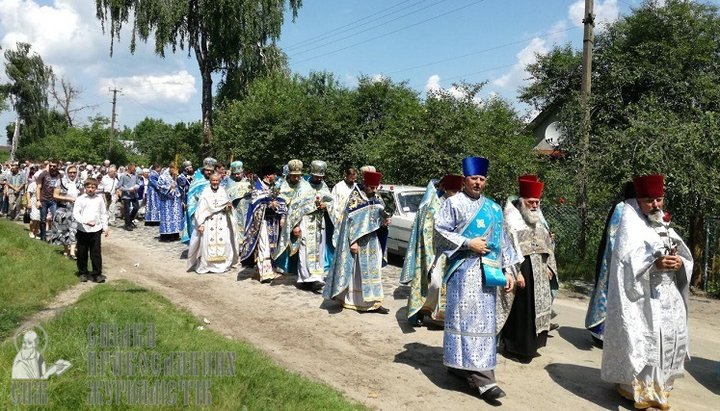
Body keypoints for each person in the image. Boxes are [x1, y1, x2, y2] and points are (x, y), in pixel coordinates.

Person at [601, 174, 692, 411]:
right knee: (648, 339)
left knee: (668, 340)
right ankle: (639, 391)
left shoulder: (661, 222)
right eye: (649, 200)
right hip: (643, 295)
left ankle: (661, 389)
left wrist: (680, 262)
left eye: (659, 199)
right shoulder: (630, 224)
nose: (655, 205)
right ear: (638, 200)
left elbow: (681, 251)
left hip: (667, 294)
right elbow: (626, 262)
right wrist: (655, 265)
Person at [433, 156, 517, 402]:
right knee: (466, 322)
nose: (478, 183)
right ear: (465, 179)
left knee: (483, 324)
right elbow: (439, 231)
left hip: (487, 273)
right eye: (474, 178)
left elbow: (503, 241)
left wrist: (511, 269)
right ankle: (483, 380)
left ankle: (463, 368)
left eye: (482, 179)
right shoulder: (453, 203)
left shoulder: (492, 207)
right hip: (462, 271)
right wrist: (467, 242)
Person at [499, 175, 557, 363]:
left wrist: (547, 265)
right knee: (521, 310)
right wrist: (517, 272)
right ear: (522, 201)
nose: (534, 206)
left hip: (539, 269)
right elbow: (507, 246)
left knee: (537, 308)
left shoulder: (536, 218)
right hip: (522, 270)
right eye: (531, 202)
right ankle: (514, 347)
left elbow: (546, 243)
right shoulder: (511, 218)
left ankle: (532, 346)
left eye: (537, 202)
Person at [323, 170, 391, 313]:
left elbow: (378, 216)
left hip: (373, 240)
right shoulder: (355, 198)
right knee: (357, 272)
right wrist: (352, 242)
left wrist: (385, 221)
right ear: (365, 185)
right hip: (357, 241)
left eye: (376, 187)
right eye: (371, 187)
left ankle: (374, 302)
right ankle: (353, 300)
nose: (374, 190)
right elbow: (349, 224)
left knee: (374, 270)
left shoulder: (377, 197)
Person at [401, 174, 464, 326]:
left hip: (455, 250)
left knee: (449, 285)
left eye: (458, 191)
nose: (456, 194)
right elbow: (427, 230)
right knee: (434, 283)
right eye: (453, 191)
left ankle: (441, 317)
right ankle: (422, 310)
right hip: (435, 251)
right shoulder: (434, 204)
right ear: (445, 189)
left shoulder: (460, 204)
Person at [585, 181, 635, 345]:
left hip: (628, 263)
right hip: (613, 261)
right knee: (607, 295)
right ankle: (600, 334)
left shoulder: (634, 209)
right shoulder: (622, 207)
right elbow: (613, 237)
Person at [275, 160, 334, 292]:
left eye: (321, 177)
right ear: (311, 174)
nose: (318, 178)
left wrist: (326, 206)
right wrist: (295, 225)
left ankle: (317, 277)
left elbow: (331, 202)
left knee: (319, 249)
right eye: (316, 176)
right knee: (305, 250)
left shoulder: (323, 186)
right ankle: (306, 279)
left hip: (319, 222)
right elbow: (294, 208)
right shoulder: (304, 187)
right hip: (305, 222)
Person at [240, 165, 287, 283]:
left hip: (273, 222)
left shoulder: (274, 187)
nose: (275, 177)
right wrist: (268, 205)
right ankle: (264, 273)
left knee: (272, 247)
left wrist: (281, 213)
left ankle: (270, 269)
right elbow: (256, 205)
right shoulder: (257, 188)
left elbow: (282, 201)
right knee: (264, 246)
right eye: (274, 174)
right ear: (268, 175)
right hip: (263, 222)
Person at [187, 173, 240, 273]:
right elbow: (201, 209)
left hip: (221, 220)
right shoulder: (206, 192)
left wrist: (229, 207)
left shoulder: (223, 191)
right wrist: (200, 224)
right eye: (213, 180)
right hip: (209, 221)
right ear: (210, 181)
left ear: (219, 181)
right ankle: (207, 266)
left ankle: (222, 265)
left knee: (224, 242)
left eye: (217, 180)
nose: (215, 182)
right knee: (207, 243)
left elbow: (227, 204)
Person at [73, 178, 109, 283]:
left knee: (96, 252)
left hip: (96, 229)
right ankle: (83, 272)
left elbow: (103, 213)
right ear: (85, 188)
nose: (90, 189)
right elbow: (76, 213)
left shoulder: (99, 199)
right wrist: (85, 221)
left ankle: (97, 273)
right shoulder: (80, 199)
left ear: (96, 188)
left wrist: (105, 226)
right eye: (88, 187)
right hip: (83, 229)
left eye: (93, 187)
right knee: (82, 252)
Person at [50, 165, 83, 259]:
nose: (72, 174)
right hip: (62, 209)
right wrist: (67, 198)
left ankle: (72, 252)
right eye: (70, 172)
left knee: (74, 229)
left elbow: (82, 195)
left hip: (75, 210)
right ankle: (66, 249)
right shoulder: (60, 182)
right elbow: (55, 195)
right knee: (63, 230)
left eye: (74, 172)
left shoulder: (80, 183)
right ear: (67, 172)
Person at [181, 158, 214, 244]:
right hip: (199, 211)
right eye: (207, 170)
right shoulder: (197, 180)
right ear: (204, 170)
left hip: (212, 211)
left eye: (211, 170)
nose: (209, 172)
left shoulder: (215, 179)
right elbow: (191, 196)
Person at [157, 163, 185, 242]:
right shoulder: (163, 176)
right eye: (173, 169)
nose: (175, 170)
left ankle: (175, 234)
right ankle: (166, 236)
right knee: (167, 217)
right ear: (170, 168)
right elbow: (159, 187)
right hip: (167, 200)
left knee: (176, 217)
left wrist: (178, 176)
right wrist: (169, 187)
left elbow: (183, 184)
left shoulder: (177, 177)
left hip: (176, 200)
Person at [35, 159, 61, 241]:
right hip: (44, 199)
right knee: (43, 219)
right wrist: (38, 200)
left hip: (54, 200)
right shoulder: (43, 174)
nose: (52, 167)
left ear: (57, 166)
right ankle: (43, 237)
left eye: (54, 166)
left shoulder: (59, 175)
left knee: (55, 219)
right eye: (50, 166)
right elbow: (38, 187)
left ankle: (54, 237)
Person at [225, 160, 252, 236]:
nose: (236, 176)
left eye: (238, 174)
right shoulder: (228, 184)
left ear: (242, 172)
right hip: (235, 212)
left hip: (247, 211)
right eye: (235, 174)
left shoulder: (248, 183)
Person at [329, 167, 357, 233]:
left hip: (353, 219)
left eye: (355, 179)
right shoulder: (338, 187)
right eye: (351, 178)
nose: (353, 181)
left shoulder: (356, 187)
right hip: (340, 219)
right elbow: (333, 203)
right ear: (346, 176)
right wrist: (337, 218)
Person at [117, 163, 141, 231]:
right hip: (126, 195)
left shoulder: (135, 175)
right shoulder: (123, 176)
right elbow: (119, 186)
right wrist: (127, 189)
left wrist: (136, 187)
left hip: (134, 194)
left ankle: (130, 220)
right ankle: (127, 225)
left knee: (136, 207)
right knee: (126, 210)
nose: (135, 170)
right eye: (133, 168)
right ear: (129, 168)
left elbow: (138, 183)